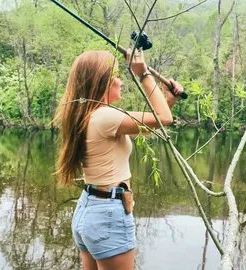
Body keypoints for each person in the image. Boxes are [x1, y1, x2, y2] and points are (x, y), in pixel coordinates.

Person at [54, 49, 181, 270]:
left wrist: (167, 100)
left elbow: (151, 126)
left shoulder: (89, 115)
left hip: (90, 209)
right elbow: (164, 119)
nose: (121, 81)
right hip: (108, 215)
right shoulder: (105, 117)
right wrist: (142, 73)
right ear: (100, 81)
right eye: (115, 75)